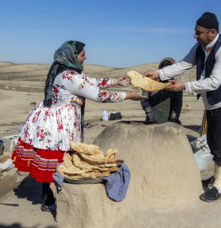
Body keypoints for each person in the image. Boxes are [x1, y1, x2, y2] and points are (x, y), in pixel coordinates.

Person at [11, 40, 145, 211]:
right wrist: (127, 96)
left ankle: (50, 198)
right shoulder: (68, 77)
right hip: (57, 126)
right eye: (82, 54)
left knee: (58, 160)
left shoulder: (69, 73)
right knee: (57, 161)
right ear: (72, 56)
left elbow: (90, 81)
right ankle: (49, 200)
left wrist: (115, 81)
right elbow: (97, 94)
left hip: (59, 121)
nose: (85, 57)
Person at [143, 12, 221, 202]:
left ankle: (218, 187)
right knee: (214, 141)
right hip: (213, 103)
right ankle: (219, 178)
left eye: (199, 32)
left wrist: (185, 86)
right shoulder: (200, 47)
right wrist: (158, 74)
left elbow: (213, 82)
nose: (195, 35)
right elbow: (182, 65)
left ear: (212, 33)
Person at [140, 57, 183, 124]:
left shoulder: (176, 85)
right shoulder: (150, 82)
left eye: (169, 68)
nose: (165, 67)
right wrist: (149, 110)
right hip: (151, 119)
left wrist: (174, 118)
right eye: (164, 66)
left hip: (168, 121)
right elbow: (143, 98)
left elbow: (177, 104)